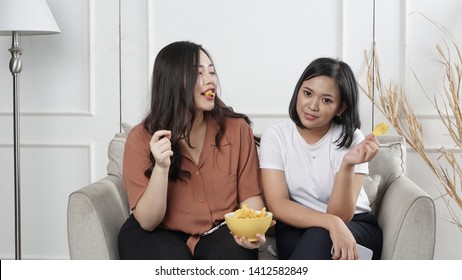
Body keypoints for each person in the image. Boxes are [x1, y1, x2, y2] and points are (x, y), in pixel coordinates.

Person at [118, 41, 267, 260]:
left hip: (219, 232)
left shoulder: (237, 130)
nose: (210, 80)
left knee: (233, 251)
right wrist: (161, 168)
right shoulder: (141, 138)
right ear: (173, 81)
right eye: (198, 73)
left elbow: (250, 197)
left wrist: (254, 229)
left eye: (212, 72)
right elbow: (148, 221)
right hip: (159, 234)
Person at [259, 57, 383, 260]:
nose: (312, 106)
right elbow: (278, 204)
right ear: (298, 91)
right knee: (314, 239)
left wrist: (347, 165)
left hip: (355, 224)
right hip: (297, 225)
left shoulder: (353, 138)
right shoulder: (276, 137)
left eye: (326, 100)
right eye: (307, 93)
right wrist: (330, 222)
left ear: (340, 108)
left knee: (319, 238)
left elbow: (341, 216)